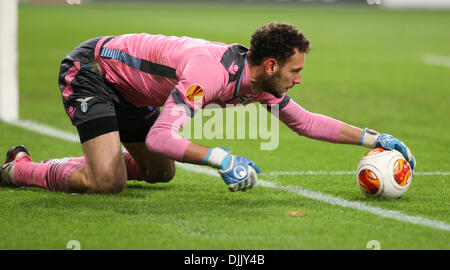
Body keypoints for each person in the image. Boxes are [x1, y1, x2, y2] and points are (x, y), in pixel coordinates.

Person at [0, 22, 415, 194]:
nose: (298, 79)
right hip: (94, 71)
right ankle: (18, 168)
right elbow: (163, 136)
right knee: (108, 181)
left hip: (136, 92)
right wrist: (221, 157)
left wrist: (378, 138)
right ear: (270, 66)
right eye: (295, 70)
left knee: (160, 173)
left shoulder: (258, 82)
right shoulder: (209, 75)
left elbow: (304, 123)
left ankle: (96, 158)